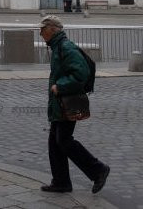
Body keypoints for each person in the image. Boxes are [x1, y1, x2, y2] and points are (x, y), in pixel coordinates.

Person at [39, 15, 109, 194]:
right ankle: (61, 182)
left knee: (63, 141)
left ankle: (98, 169)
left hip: (66, 102)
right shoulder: (57, 46)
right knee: (55, 143)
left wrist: (59, 86)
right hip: (60, 103)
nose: (40, 33)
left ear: (52, 30)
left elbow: (81, 73)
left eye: (42, 29)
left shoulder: (65, 47)